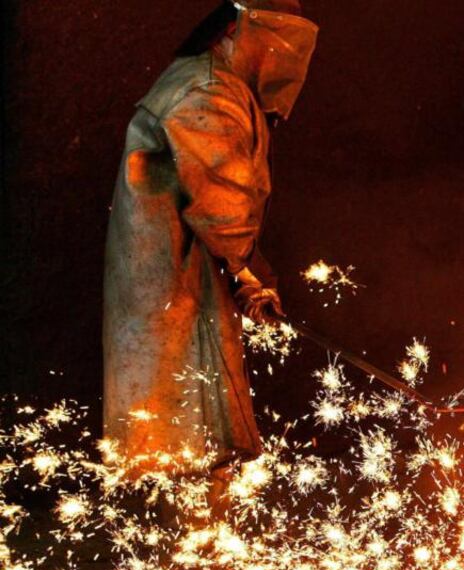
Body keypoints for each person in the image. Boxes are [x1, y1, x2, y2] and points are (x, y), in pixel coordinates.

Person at [102, 0, 317, 513]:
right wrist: (250, 271)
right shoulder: (208, 90)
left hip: (183, 278)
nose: (276, 55)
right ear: (231, 30)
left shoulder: (216, 83)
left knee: (198, 430)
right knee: (187, 435)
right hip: (172, 285)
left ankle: (202, 548)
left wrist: (244, 273)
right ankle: (191, 555)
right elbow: (221, 199)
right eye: (270, 37)